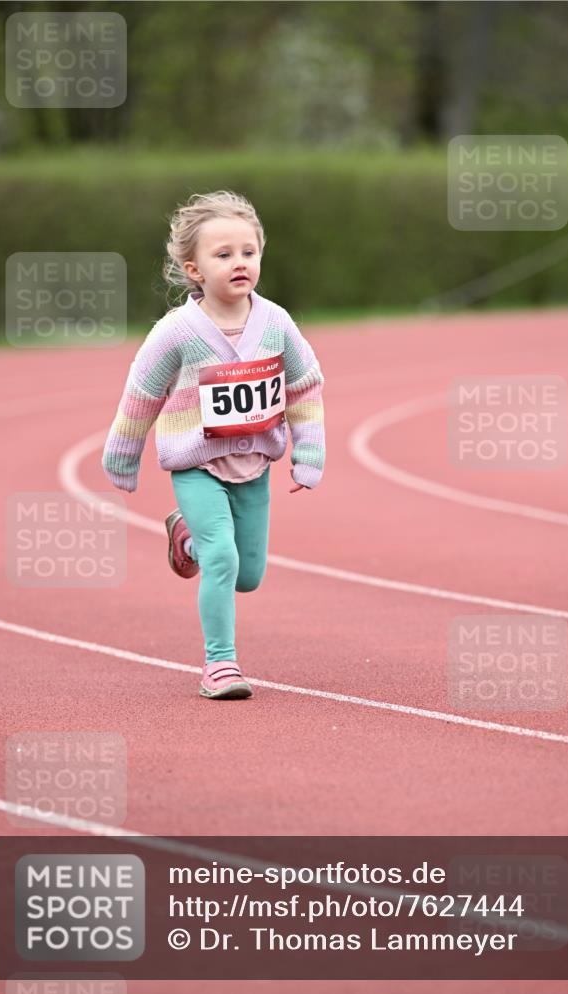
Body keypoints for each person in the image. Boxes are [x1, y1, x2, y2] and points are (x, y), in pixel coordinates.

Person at [102, 190, 326, 700]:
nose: (239, 262)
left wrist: (309, 454)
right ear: (195, 269)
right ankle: (220, 665)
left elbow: (305, 385)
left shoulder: (277, 324)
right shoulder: (177, 332)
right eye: (223, 255)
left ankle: (187, 534)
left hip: (254, 466)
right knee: (222, 560)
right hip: (197, 467)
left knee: (248, 575)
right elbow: (142, 392)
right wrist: (123, 454)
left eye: (248, 252)